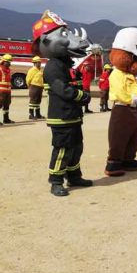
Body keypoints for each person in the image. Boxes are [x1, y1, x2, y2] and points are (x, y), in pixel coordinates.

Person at [33, 10, 92, 197]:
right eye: (64, 34)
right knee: (62, 149)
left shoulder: (65, 64)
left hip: (73, 116)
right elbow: (63, 90)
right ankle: (56, 180)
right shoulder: (53, 66)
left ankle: (74, 175)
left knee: (77, 147)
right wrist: (83, 96)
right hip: (61, 117)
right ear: (46, 41)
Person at [105, 28, 137, 176]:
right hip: (123, 108)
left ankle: (128, 158)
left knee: (134, 134)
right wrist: (133, 99)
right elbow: (120, 92)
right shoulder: (117, 73)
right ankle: (114, 161)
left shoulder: (133, 74)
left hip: (135, 108)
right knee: (119, 134)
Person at [0, 54, 15, 125]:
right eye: (8, 62)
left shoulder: (8, 71)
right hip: (0, 92)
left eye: (10, 62)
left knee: (7, 105)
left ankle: (6, 119)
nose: (10, 64)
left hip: (7, 91)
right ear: (4, 62)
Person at [26, 55, 45, 119]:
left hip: (40, 87)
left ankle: (37, 114)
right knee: (33, 101)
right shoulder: (32, 70)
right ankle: (31, 114)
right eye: (38, 62)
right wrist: (30, 86)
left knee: (38, 101)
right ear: (35, 63)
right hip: (34, 86)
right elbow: (28, 79)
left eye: (40, 62)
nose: (39, 63)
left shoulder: (39, 70)